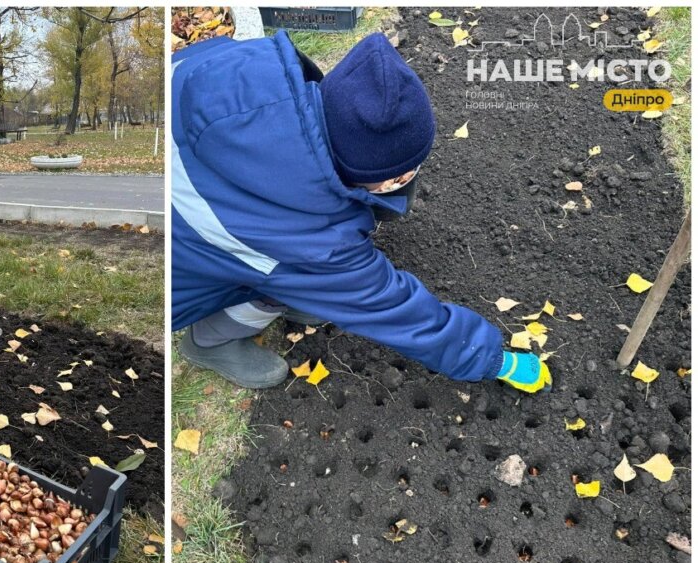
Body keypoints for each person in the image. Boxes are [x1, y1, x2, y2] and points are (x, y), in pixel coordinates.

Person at [171, 31, 551, 393]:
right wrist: (495, 360)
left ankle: (293, 296)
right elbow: (395, 311)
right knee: (287, 275)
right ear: (387, 181)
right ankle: (208, 341)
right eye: (406, 173)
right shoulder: (306, 240)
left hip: (191, 234)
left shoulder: (241, 66)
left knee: (282, 269)